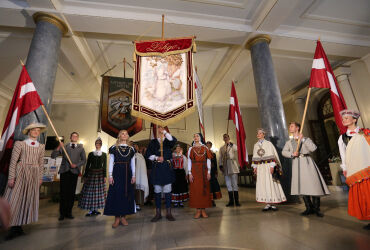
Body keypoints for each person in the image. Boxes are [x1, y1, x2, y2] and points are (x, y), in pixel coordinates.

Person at [3, 123, 46, 240]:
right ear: (29, 131)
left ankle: (19, 226)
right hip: (21, 173)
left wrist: (40, 178)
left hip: (34, 175)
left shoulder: (41, 146)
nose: (36, 132)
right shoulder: (20, 144)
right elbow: (13, 161)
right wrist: (12, 177)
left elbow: (41, 164)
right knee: (15, 199)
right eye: (34, 130)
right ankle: (12, 227)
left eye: (38, 130)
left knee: (26, 199)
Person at [282, 122, 330, 217]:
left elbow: (313, 148)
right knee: (302, 184)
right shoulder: (289, 142)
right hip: (297, 163)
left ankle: (316, 208)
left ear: (298, 128)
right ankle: (308, 208)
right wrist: (292, 154)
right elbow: (283, 152)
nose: (290, 127)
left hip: (307, 162)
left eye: (291, 126)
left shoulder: (306, 139)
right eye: (290, 126)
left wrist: (303, 139)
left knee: (313, 184)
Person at [337, 110, 370, 230]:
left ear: (355, 119)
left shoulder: (365, 132)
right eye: (343, 118)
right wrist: (345, 168)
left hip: (367, 167)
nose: (344, 120)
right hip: (354, 169)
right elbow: (343, 155)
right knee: (363, 194)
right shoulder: (342, 138)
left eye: (347, 118)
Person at [104, 130, 136, 228]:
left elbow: (133, 163)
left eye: (126, 133)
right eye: (122, 133)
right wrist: (110, 176)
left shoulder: (131, 149)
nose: (124, 135)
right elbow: (111, 162)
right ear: (119, 136)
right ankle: (117, 218)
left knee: (126, 194)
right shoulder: (114, 148)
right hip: (117, 172)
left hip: (127, 173)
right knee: (117, 194)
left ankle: (123, 217)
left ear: (128, 136)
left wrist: (134, 175)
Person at [52, 132, 86, 221]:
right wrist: (59, 146)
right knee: (63, 193)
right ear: (70, 137)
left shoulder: (81, 148)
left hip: (74, 172)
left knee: (71, 194)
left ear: (77, 138)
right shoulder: (64, 146)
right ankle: (62, 213)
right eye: (73, 136)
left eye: (76, 136)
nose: (74, 137)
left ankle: (69, 212)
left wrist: (77, 165)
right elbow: (53, 156)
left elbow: (84, 160)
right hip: (65, 171)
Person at [145, 126, 177, 222]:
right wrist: (156, 158)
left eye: (162, 129)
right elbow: (148, 155)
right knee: (157, 189)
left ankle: (168, 213)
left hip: (167, 168)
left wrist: (165, 132)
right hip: (157, 168)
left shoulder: (168, 141)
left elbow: (173, 140)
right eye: (159, 129)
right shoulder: (153, 142)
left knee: (168, 189)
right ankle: (158, 213)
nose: (160, 130)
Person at [252, 129, 286, 211]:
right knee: (263, 184)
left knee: (270, 183)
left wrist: (272, 166)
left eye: (260, 133)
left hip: (268, 166)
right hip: (260, 168)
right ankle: (267, 203)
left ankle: (273, 203)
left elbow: (272, 155)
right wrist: (255, 167)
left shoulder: (268, 144)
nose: (258, 134)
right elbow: (254, 157)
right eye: (258, 133)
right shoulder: (255, 145)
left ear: (264, 135)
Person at [78, 137, 107, 217]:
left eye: (99, 143)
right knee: (90, 192)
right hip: (91, 174)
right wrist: (86, 175)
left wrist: (105, 176)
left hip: (100, 175)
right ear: (95, 144)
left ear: (101, 145)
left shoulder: (104, 154)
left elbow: (104, 166)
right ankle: (91, 210)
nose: (97, 145)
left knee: (98, 192)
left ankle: (96, 209)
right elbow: (87, 165)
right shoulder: (91, 154)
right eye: (96, 143)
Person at [188, 133, 212, 218]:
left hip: (204, 171)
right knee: (196, 190)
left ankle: (203, 210)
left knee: (204, 190)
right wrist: (189, 173)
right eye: (194, 136)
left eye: (197, 136)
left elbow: (208, 160)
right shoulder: (191, 149)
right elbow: (189, 161)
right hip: (194, 171)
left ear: (200, 138)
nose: (195, 137)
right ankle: (198, 211)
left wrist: (209, 172)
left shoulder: (205, 148)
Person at [219, 134, 241, 207]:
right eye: (224, 137)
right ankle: (231, 201)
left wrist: (231, 144)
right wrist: (220, 165)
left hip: (233, 165)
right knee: (228, 184)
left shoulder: (232, 146)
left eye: (226, 137)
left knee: (234, 184)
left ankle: (237, 201)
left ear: (229, 138)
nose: (225, 138)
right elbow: (220, 157)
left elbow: (237, 149)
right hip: (225, 167)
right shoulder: (222, 148)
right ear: (223, 139)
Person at [133, 143, 149, 211]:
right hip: (132, 176)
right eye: (134, 146)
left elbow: (143, 166)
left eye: (136, 146)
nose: (135, 147)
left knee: (138, 190)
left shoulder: (140, 156)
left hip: (139, 175)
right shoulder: (130, 155)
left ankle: (137, 204)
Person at [206, 141, 222, 206]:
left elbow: (215, 163)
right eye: (207, 145)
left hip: (212, 171)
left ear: (211, 146)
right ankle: (207, 200)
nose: (208, 146)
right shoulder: (204, 153)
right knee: (207, 186)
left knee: (213, 186)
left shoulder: (213, 154)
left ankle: (212, 200)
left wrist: (216, 171)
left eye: (209, 145)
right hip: (206, 171)